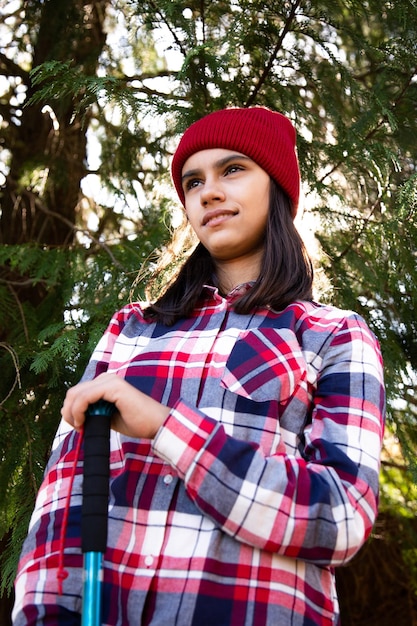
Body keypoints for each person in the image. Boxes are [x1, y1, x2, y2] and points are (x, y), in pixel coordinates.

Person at [13, 106, 385, 626]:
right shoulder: (132, 330)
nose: (208, 192)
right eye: (193, 181)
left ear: (276, 187)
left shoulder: (333, 334)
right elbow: (65, 492)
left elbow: (341, 517)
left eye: (233, 169)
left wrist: (168, 428)